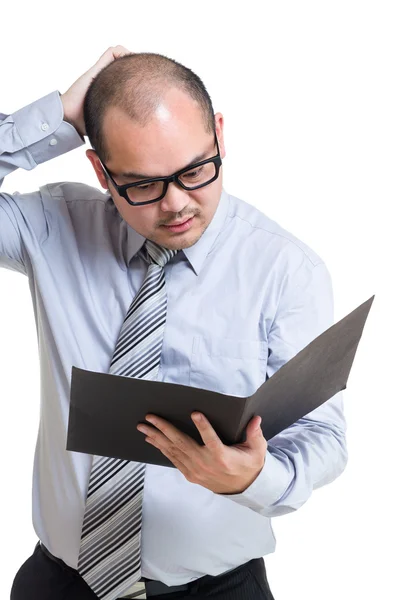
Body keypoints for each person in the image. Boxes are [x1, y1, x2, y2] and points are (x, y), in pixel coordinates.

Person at [0, 47, 348, 600]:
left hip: (215, 590)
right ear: (100, 169)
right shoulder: (55, 230)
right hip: (57, 585)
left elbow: (323, 434)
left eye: (194, 170)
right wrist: (60, 117)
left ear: (219, 136)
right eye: (141, 184)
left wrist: (254, 479)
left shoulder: (286, 270)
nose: (176, 204)